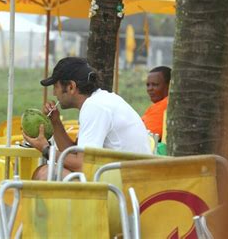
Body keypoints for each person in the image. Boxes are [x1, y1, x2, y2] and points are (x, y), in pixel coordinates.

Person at [23, 57, 152, 180]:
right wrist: (55, 122)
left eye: (56, 86)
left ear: (71, 87)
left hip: (126, 187)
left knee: (45, 173)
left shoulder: (95, 107)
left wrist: (46, 149)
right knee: (48, 171)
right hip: (129, 180)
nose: (54, 93)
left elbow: (82, 166)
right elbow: (74, 153)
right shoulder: (101, 101)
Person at [141, 66, 172, 140]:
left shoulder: (164, 105)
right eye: (148, 85)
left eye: (155, 84)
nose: (150, 89)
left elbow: (144, 136)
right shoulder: (158, 106)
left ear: (169, 85)